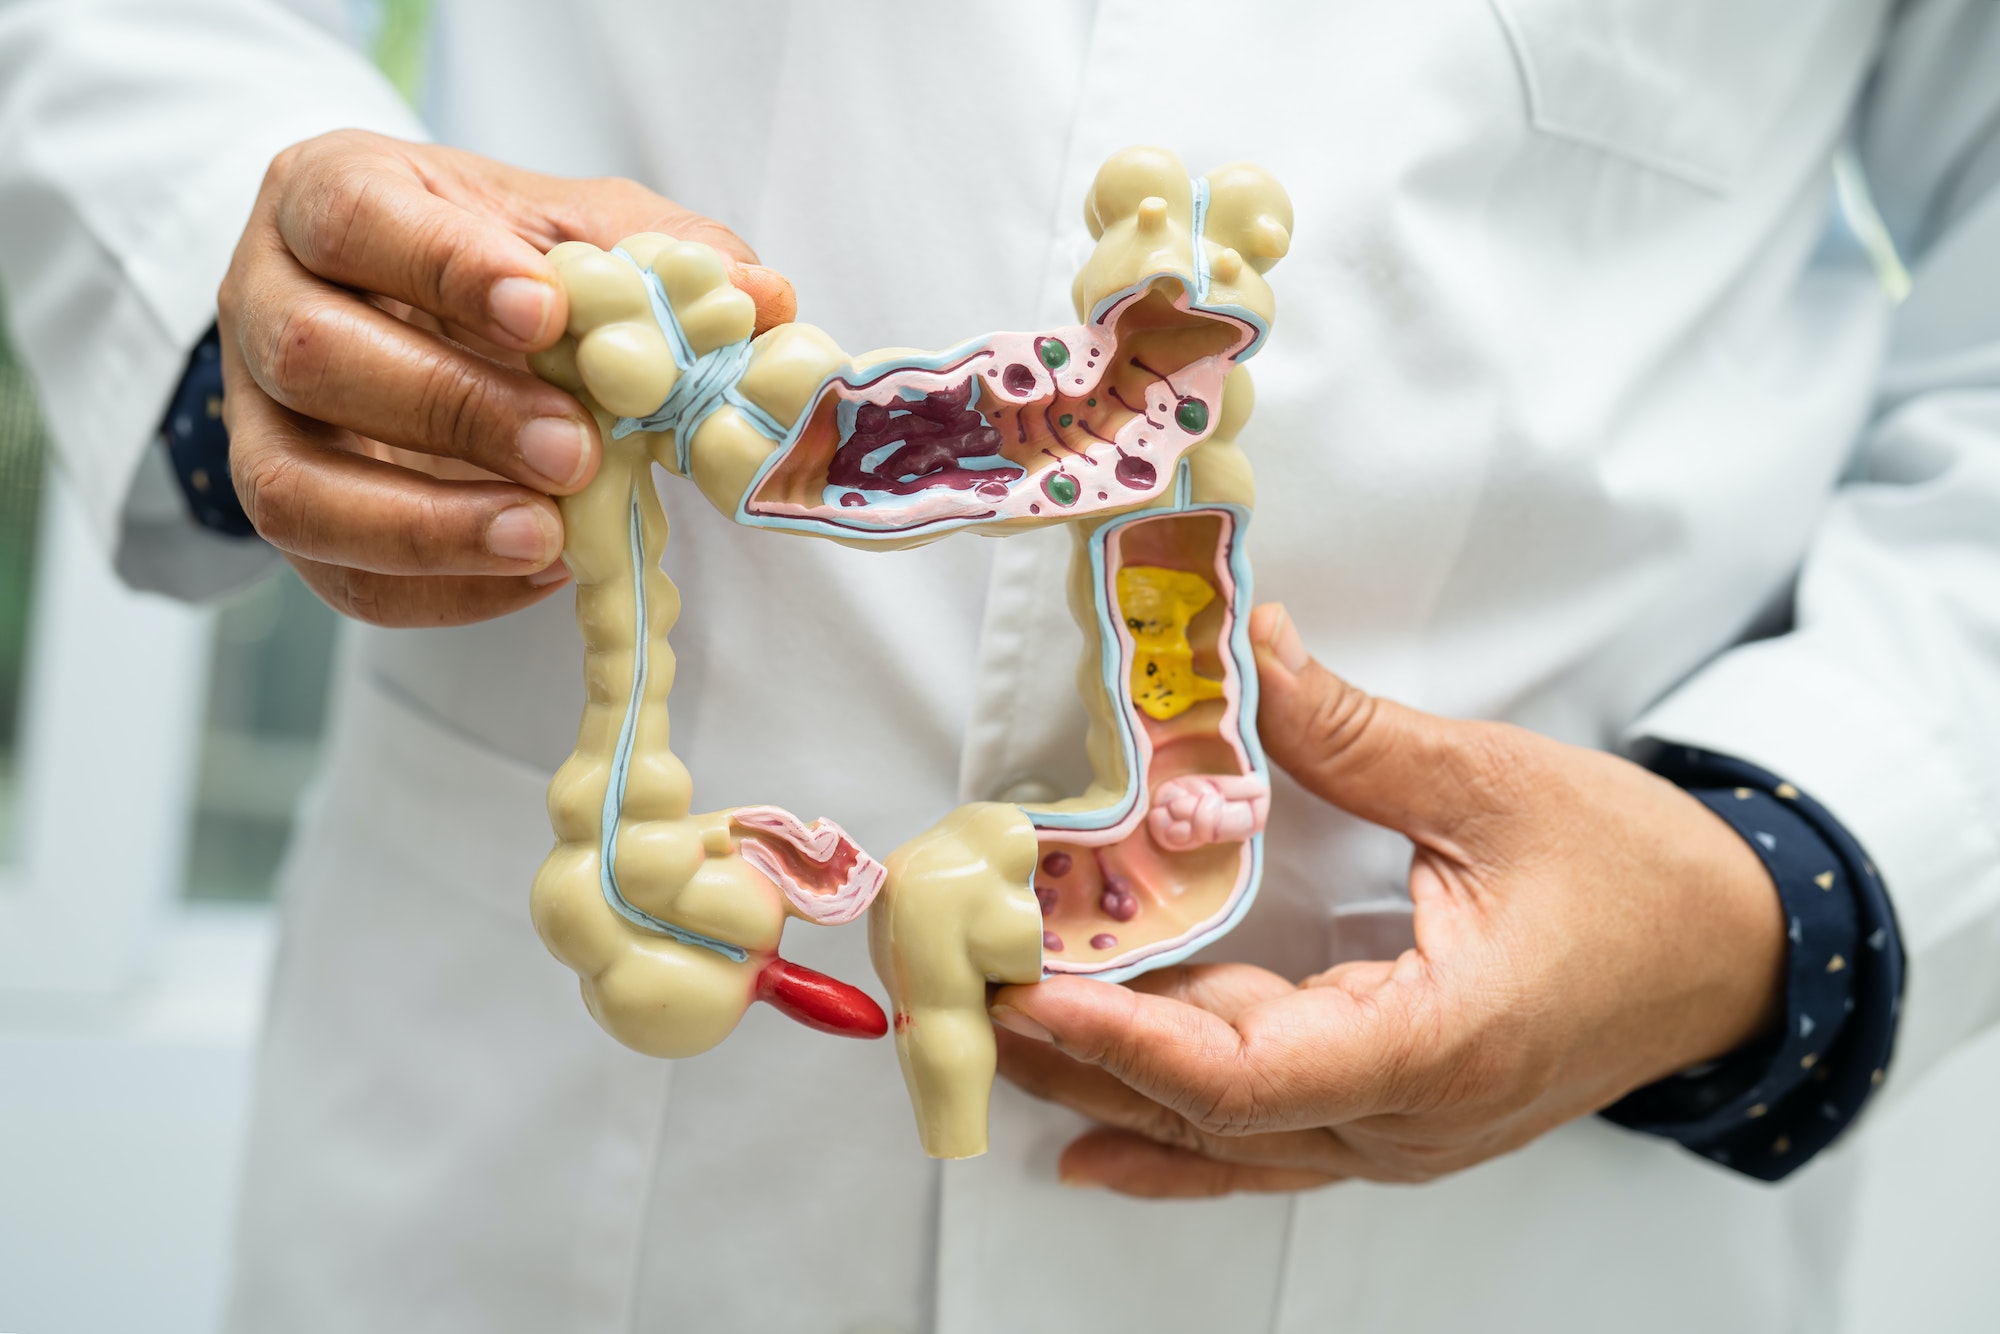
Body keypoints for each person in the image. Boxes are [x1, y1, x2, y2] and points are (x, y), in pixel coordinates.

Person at [2, 2, 1995, 1330]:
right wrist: (262, 308)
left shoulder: (1113, 430)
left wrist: (1790, 878)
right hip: (537, 1165)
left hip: (1514, 1223)